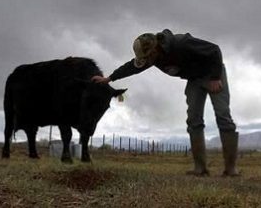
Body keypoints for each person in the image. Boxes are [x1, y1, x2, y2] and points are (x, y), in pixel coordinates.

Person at [91, 29, 239, 176]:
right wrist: (109, 79)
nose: (147, 62)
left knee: (223, 114)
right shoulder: (151, 56)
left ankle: (231, 169)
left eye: (148, 58)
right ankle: (200, 169)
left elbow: (214, 50)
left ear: (156, 49)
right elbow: (132, 67)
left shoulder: (182, 43)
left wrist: (214, 78)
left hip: (213, 73)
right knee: (193, 119)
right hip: (194, 79)